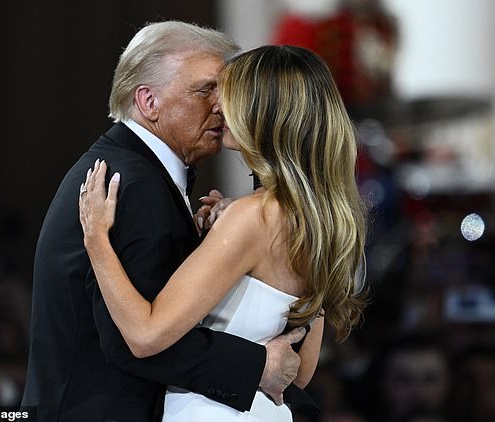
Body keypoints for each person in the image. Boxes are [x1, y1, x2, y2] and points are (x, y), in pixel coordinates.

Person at [21, 21, 306, 422]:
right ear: (148, 101)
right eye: (205, 89)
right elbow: (131, 339)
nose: (222, 106)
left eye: (224, 91)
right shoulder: (132, 184)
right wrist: (258, 365)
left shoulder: (139, 171)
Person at [79, 45, 369, 421]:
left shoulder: (254, 217)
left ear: (262, 113)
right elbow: (301, 369)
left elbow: (145, 335)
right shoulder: (314, 218)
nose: (218, 108)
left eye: (229, 96)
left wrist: (97, 240)